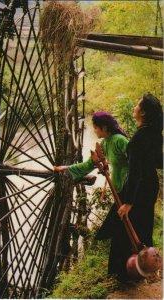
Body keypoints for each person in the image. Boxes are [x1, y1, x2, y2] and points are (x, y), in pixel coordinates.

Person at [54, 111, 129, 280]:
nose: (94, 131)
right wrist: (66, 169)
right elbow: (88, 165)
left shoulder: (120, 141)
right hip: (118, 191)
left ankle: (126, 271)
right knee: (119, 230)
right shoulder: (104, 144)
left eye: (95, 127)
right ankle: (121, 271)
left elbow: (136, 162)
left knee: (118, 230)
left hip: (128, 190)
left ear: (104, 127)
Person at [118, 93, 163, 277]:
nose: (134, 107)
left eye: (137, 104)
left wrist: (128, 202)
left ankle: (129, 272)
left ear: (143, 112)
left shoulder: (138, 138)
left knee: (129, 226)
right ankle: (145, 267)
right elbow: (158, 161)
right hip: (151, 184)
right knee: (144, 225)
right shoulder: (154, 133)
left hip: (140, 187)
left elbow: (135, 173)